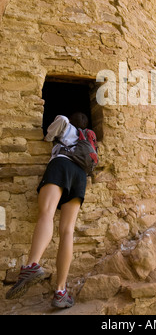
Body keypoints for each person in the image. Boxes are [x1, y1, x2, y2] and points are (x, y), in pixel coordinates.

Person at [6, 112, 90, 309]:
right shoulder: (87, 140)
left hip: (61, 166)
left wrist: (48, 136)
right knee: (67, 230)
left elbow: (59, 122)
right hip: (80, 175)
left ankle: (31, 265)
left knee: (47, 213)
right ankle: (61, 292)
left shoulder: (68, 127)